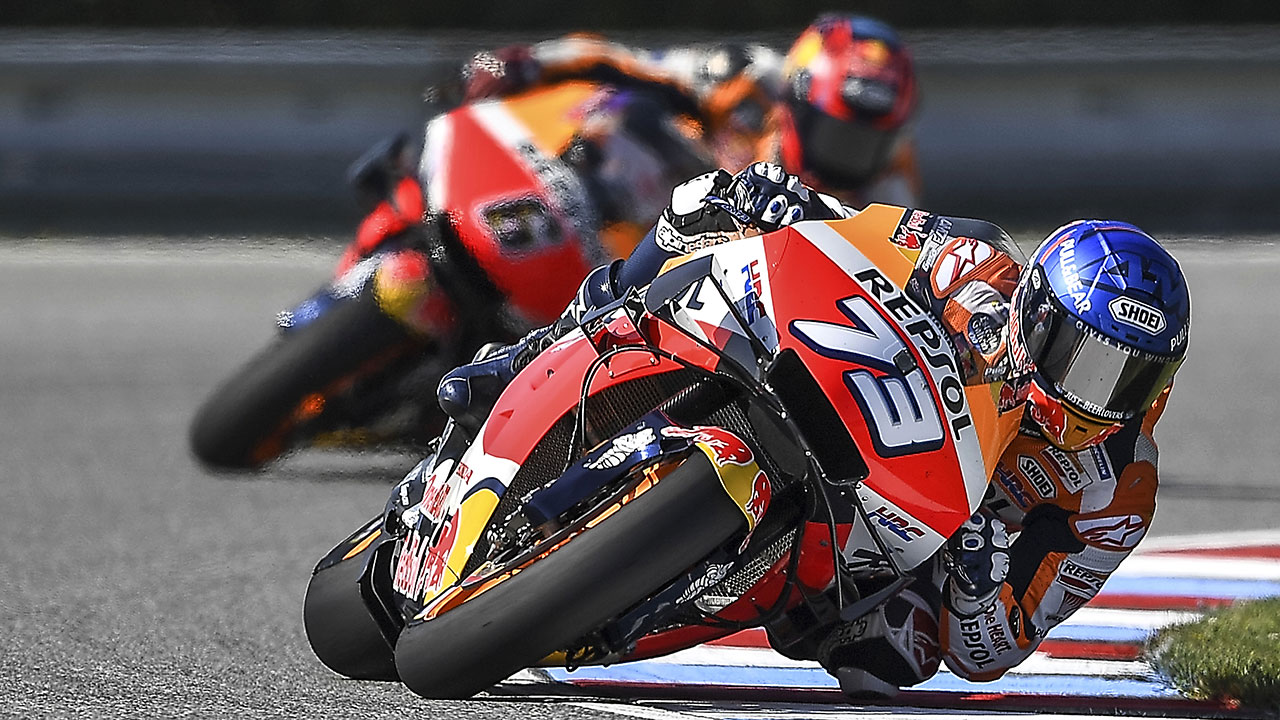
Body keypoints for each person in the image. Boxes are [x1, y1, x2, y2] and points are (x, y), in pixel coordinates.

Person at [437, 161, 1191, 697]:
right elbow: (859, 230)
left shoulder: (1119, 492)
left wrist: (978, 582)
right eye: (1085, 362)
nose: (1099, 397)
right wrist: (783, 200)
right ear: (1037, 316)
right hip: (845, 377)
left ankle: (686, 591)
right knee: (702, 202)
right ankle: (534, 352)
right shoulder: (977, 266)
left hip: (911, 540)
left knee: (890, 660)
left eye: (1128, 379)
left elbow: (994, 650)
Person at [453, 12, 921, 209]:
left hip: (742, 298)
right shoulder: (745, 77)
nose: (848, 158)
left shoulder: (892, 185)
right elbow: (622, 62)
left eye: (867, 144)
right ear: (795, 102)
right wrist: (529, 64)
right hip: (656, 229)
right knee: (626, 115)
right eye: (837, 134)